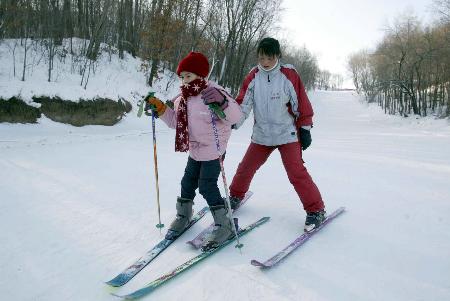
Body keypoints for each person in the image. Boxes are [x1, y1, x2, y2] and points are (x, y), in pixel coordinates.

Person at [146, 51, 242, 248]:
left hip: (214, 150)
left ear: (201, 75)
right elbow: (174, 122)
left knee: (207, 185)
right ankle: (183, 216)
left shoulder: (213, 91)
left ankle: (226, 224)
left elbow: (235, 117)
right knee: (187, 182)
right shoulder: (182, 97)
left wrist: (222, 102)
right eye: (182, 77)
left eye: (188, 76)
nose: (184, 81)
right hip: (195, 149)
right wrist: (161, 109)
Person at [228, 37, 326, 232]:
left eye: (270, 58)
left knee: (296, 173)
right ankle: (235, 196)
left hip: (286, 134)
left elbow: (302, 103)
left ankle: (316, 210)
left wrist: (305, 129)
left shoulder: (288, 75)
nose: (265, 62)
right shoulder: (253, 76)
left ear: (278, 56)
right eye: (262, 57)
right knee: (245, 168)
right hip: (262, 135)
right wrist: (231, 121)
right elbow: (243, 104)